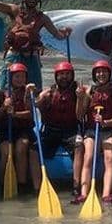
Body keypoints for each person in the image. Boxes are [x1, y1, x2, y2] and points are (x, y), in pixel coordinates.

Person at [75, 60, 112, 205]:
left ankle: (106, 194)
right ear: (94, 75)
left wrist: (105, 122)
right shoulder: (89, 92)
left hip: (111, 131)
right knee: (89, 156)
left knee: (109, 157)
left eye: (104, 71)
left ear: (109, 74)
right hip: (92, 132)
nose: (101, 74)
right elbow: (79, 116)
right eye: (98, 72)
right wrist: (79, 99)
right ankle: (84, 193)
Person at [34, 61, 86, 197]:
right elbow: (34, 105)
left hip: (71, 131)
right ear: (56, 76)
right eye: (61, 74)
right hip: (51, 131)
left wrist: (80, 98)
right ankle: (37, 187)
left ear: (72, 76)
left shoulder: (79, 92)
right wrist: (32, 96)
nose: (64, 77)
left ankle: (76, 186)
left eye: (68, 74)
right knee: (33, 149)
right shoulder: (48, 94)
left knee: (79, 145)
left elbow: (80, 116)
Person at [0, 62, 39, 194]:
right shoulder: (3, 94)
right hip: (5, 131)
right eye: (16, 77)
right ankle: (2, 183)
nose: (20, 80)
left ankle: (22, 184)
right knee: (7, 153)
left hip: (23, 131)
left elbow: (31, 115)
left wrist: (14, 114)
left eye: (22, 77)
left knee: (22, 146)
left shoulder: (29, 92)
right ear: (10, 78)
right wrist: (3, 107)